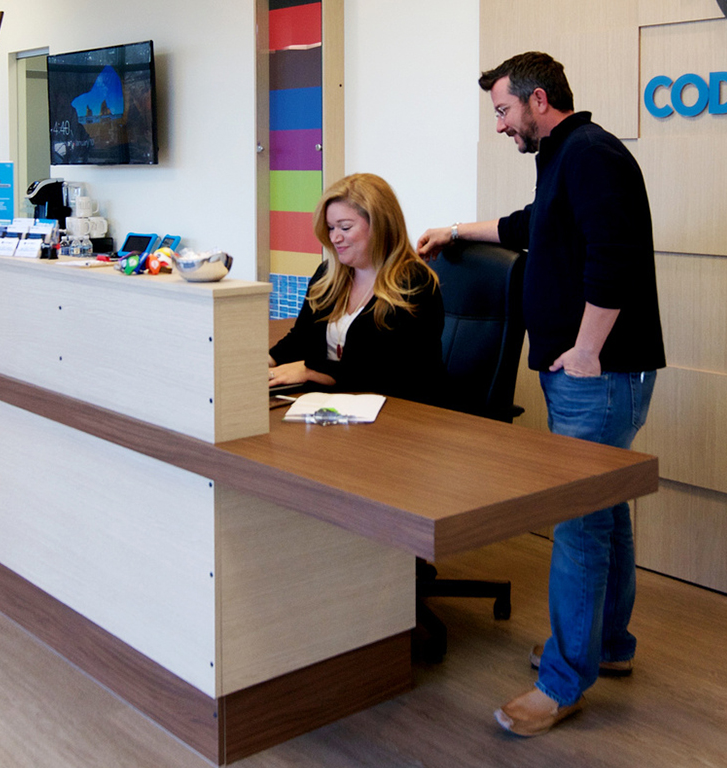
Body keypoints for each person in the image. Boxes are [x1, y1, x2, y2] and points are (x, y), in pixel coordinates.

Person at [417, 51, 666, 737]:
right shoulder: (565, 156)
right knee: (604, 510)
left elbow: (613, 260)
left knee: (578, 522)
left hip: (598, 377)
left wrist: (586, 351)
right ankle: (607, 645)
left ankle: (561, 682)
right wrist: (456, 230)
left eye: (503, 110)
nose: (499, 125)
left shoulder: (591, 155)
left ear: (538, 100)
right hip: (588, 376)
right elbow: (532, 225)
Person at [269, 173, 445, 404]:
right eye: (331, 228)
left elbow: (390, 370)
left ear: (380, 225)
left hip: (397, 410)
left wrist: (311, 371)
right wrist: (267, 362)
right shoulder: (327, 276)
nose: (335, 238)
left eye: (345, 227)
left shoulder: (414, 284)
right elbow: (301, 338)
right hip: (330, 403)